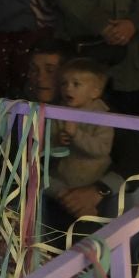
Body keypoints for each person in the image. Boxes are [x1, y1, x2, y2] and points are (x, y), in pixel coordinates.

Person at [48, 58, 115, 196]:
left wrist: (76, 135)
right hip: (63, 181)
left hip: (93, 182)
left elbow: (102, 149)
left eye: (76, 84)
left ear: (95, 92)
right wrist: (57, 140)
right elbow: (46, 145)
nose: (68, 88)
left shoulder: (103, 116)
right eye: (63, 84)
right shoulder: (58, 112)